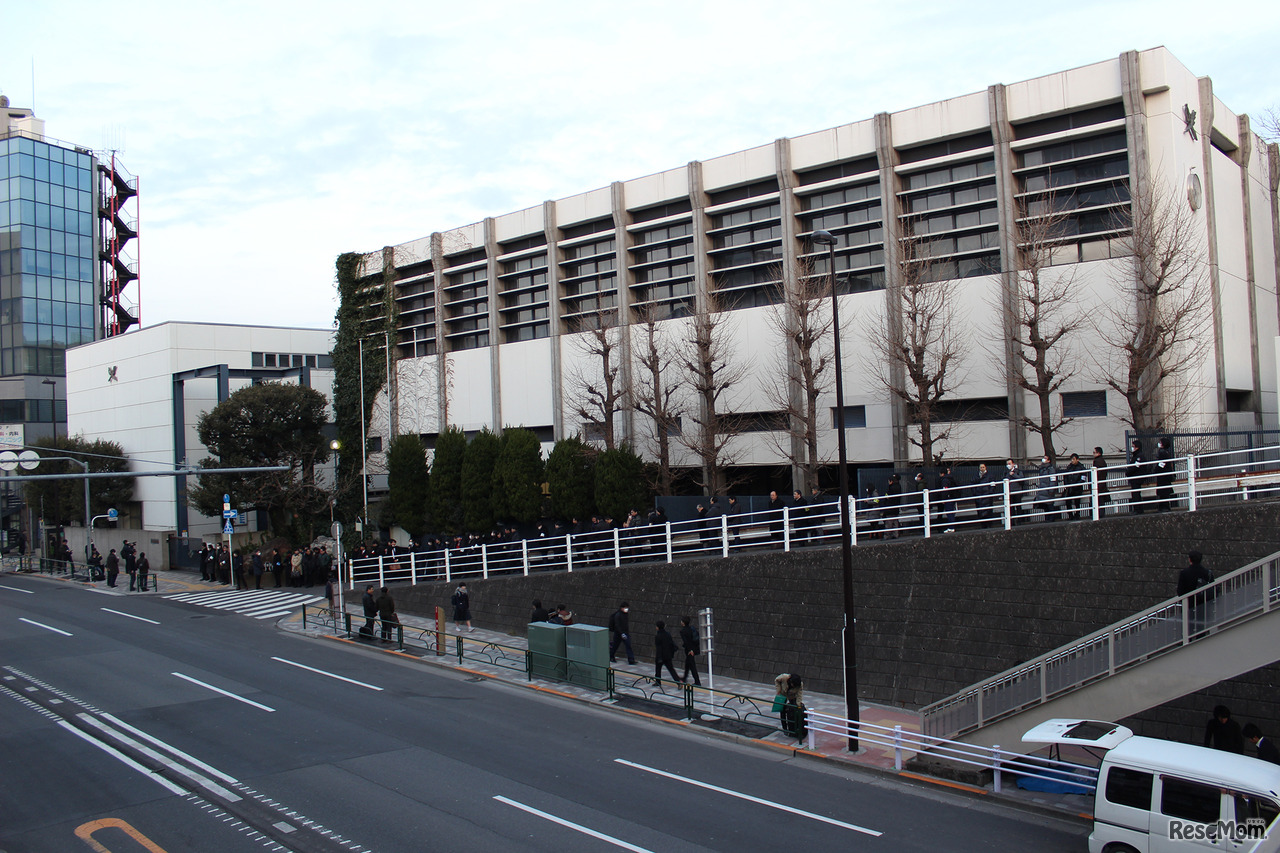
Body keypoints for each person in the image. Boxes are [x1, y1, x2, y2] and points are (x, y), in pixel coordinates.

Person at [1178, 549, 1216, 635]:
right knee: (1201, 627)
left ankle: (1187, 641)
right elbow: (1213, 588)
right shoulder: (1207, 573)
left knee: (1188, 627)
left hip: (1188, 604)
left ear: (1190, 559)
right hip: (1203, 605)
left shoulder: (1184, 573)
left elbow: (1180, 592)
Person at [773, 672, 806, 740]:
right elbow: (776, 680)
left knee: (793, 710)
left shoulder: (800, 684)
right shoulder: (784, 677)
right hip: (782, 694)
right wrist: (778, 690)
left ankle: (793, 727)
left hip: (792, 696)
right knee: (782, 710)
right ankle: (785, 728)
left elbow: (799, 695)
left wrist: (798, 704)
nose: (793, 686)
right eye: (793, 684)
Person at [1061, 453, 1087, 520]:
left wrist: (1077, 484)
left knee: (1077, 502)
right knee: (1068, 501)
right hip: (1070, 488)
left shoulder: (1081, 468)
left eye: (1074, 459)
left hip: (1077, 488)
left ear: (1077, 459)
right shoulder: (1069, 467)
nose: (1072, 461)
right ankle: (1070, 515)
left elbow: (1083, 478)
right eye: (1071, 459)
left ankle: (1077, 514)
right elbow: (1066, 476)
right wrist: (1067, 485)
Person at [653, 620, 679, 685]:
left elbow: (658, 648)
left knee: (658, 670)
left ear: (657, 627)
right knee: (671, 670)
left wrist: (659, 658)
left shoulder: (658, 636)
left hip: (661, 656)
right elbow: (671, 644)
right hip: (668, 655)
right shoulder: (668, 634)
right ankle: (678, 682)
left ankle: (658, 682)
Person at [1034, 456, 1059, 522]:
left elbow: (1053, 480)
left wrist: (1051, 489)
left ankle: (1051, 518)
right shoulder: (1043, 469)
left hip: (1048, 489)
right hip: (1043, 489)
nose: (1043, 459)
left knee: (1049, 504)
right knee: (1045, 505)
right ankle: (1048, 518)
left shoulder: (1050, 469)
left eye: (1045, 458)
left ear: (1049, 461)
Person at [1153, 437, 1175, 512]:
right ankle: (1164, 506)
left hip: (1163, 476)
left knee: (1163, 491)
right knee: (1164, 491)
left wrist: (1156, 470)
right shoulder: (1166, 452)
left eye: (1160, 442)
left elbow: (1162, 464)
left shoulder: (1162, 453)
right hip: (1166, 476)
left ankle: (1164, 507)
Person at [1126, 439, 1148, 513]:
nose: (1132, 448)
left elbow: (1135, 467)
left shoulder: (1139, 456)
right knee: (1136, 494)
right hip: (1135, 478)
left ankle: (1138, 510)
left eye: (1133, 446)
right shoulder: (1137, 456)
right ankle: (1138, 509)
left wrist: (1128, 472)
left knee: (1136, 495)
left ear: (1137, 447)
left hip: (1136, 478)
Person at [679, 615, 701, 686]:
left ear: (683, 623)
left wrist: (690, 650)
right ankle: (684, 678)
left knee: (692, 666)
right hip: (693, 649)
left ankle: (697, 681)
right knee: (688, 665)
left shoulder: (683, 631)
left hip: (689, 650)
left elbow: (686, 642)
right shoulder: (692, 628)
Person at [1092, 447, 1110, 517]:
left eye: (1094, 452)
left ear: (1098, 453)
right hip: (1102, 483)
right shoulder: (1102, 460)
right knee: (1101, 500)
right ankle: (1101, 514)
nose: (1093, 454)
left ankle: (1099, 515)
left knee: (1098, 500)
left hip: (1098, 483)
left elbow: (1098, 473)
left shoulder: (1097, 461)